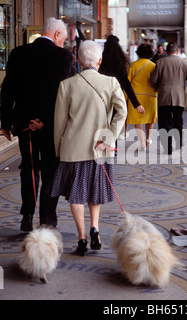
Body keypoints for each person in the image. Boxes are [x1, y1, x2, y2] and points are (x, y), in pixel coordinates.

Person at [51, 40, 127, 256]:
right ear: (100, 61)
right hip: (100, 149)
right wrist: (109, 138)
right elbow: (122, 113)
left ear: (78, 60)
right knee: (95, 190)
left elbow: (59, 123)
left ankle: (82, 237)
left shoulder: (67, 85)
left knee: (76, 195)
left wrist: (59, 150)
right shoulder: (111, 83)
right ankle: (95, 227)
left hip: (73, 149)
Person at [0, 17, 74, 232]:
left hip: (24, 123)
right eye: (63, 39)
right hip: (50, 125)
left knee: (29, 167)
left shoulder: (18, 53)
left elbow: (8, 89)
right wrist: (45, 121)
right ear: (57, 35)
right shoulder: (63, 56)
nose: (63, 44)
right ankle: (47, 220)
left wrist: (5, 122)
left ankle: (27, 214)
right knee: (51, 168)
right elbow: (61, 93)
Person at [150, 42, 187, 154]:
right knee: (178, 121)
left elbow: (153, 80)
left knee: (164, 123)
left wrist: (157, 88)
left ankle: (167, 147)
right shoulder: (184, 63)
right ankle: (178, 143)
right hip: (179, 98)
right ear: (177, 50)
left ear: (166, 51)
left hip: (164, 97)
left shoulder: (160, 62)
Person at [99, 35, 145, 139]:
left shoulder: (100, 61)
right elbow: (127, 84)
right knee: (114, 123)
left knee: (102, 122)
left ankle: (102, 145)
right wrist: (136, 104)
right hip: (116, 95)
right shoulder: (120, 63)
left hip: (102, 95)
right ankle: (112, 146)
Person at [126, 43, 158, 150]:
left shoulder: (133, 66)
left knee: (138, 121)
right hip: (151, 96)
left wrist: (126, 97)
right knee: (150, 119)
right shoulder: (153, 66)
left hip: (136, 97)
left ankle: (142, 142)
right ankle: (148, 138)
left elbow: (128, 83)